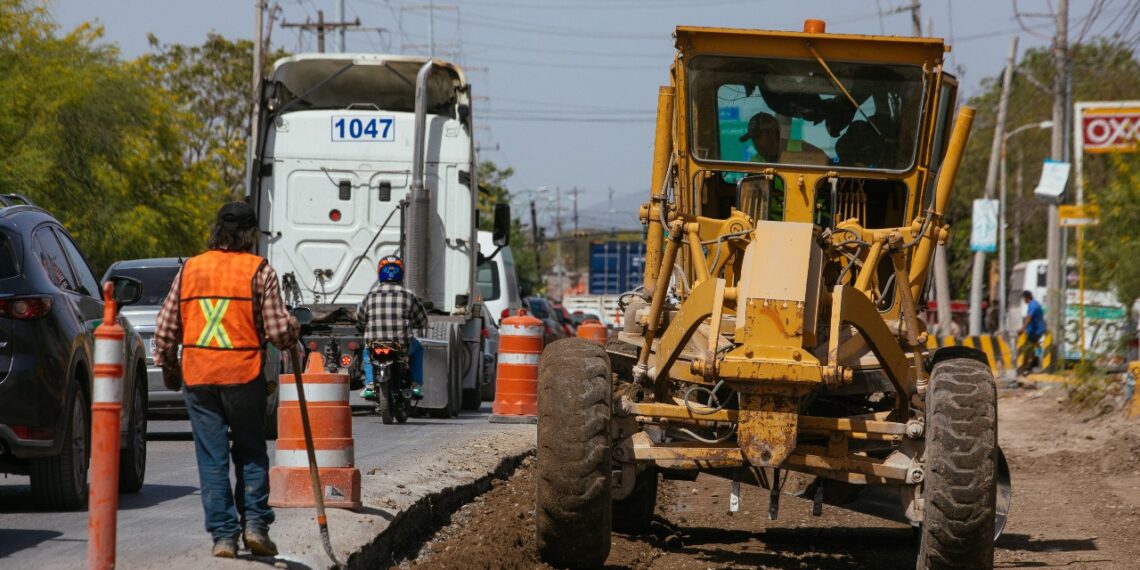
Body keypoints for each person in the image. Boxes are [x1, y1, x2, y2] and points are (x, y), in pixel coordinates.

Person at [154, 201, 299, 558]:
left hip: (200, 376)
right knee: (250, 450)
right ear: (251, 236)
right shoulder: (259, 270)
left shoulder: (191, 269)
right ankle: (255, 525)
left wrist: (173, 373)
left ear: (216, 230)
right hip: (243, 374)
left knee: (212, 457)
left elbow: (164, 332)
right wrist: (294, 328)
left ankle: (223, 537)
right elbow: (280, 333)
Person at [356, 255, 428, 399]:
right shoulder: (408, 295)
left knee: (367, 353)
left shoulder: (369, 295)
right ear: (401, 275)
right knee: (418, 348)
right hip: (401, 345)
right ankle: (415, 384)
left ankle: (370, 384)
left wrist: (365, 325)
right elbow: (422, 320)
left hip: (374, 343)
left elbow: (360, 318)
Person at [1018, 290, 1047, 374]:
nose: (1024, 301)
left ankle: (1028, 367)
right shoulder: (1034, 304)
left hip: (1036, 332)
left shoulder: (1033, 305)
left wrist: (1022, 329)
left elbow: (1029, 318)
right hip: (1035, 331)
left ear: (1027, 298)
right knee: (1032, 348)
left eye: (1024, 299)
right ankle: (1029, 366)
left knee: (1028, 348)